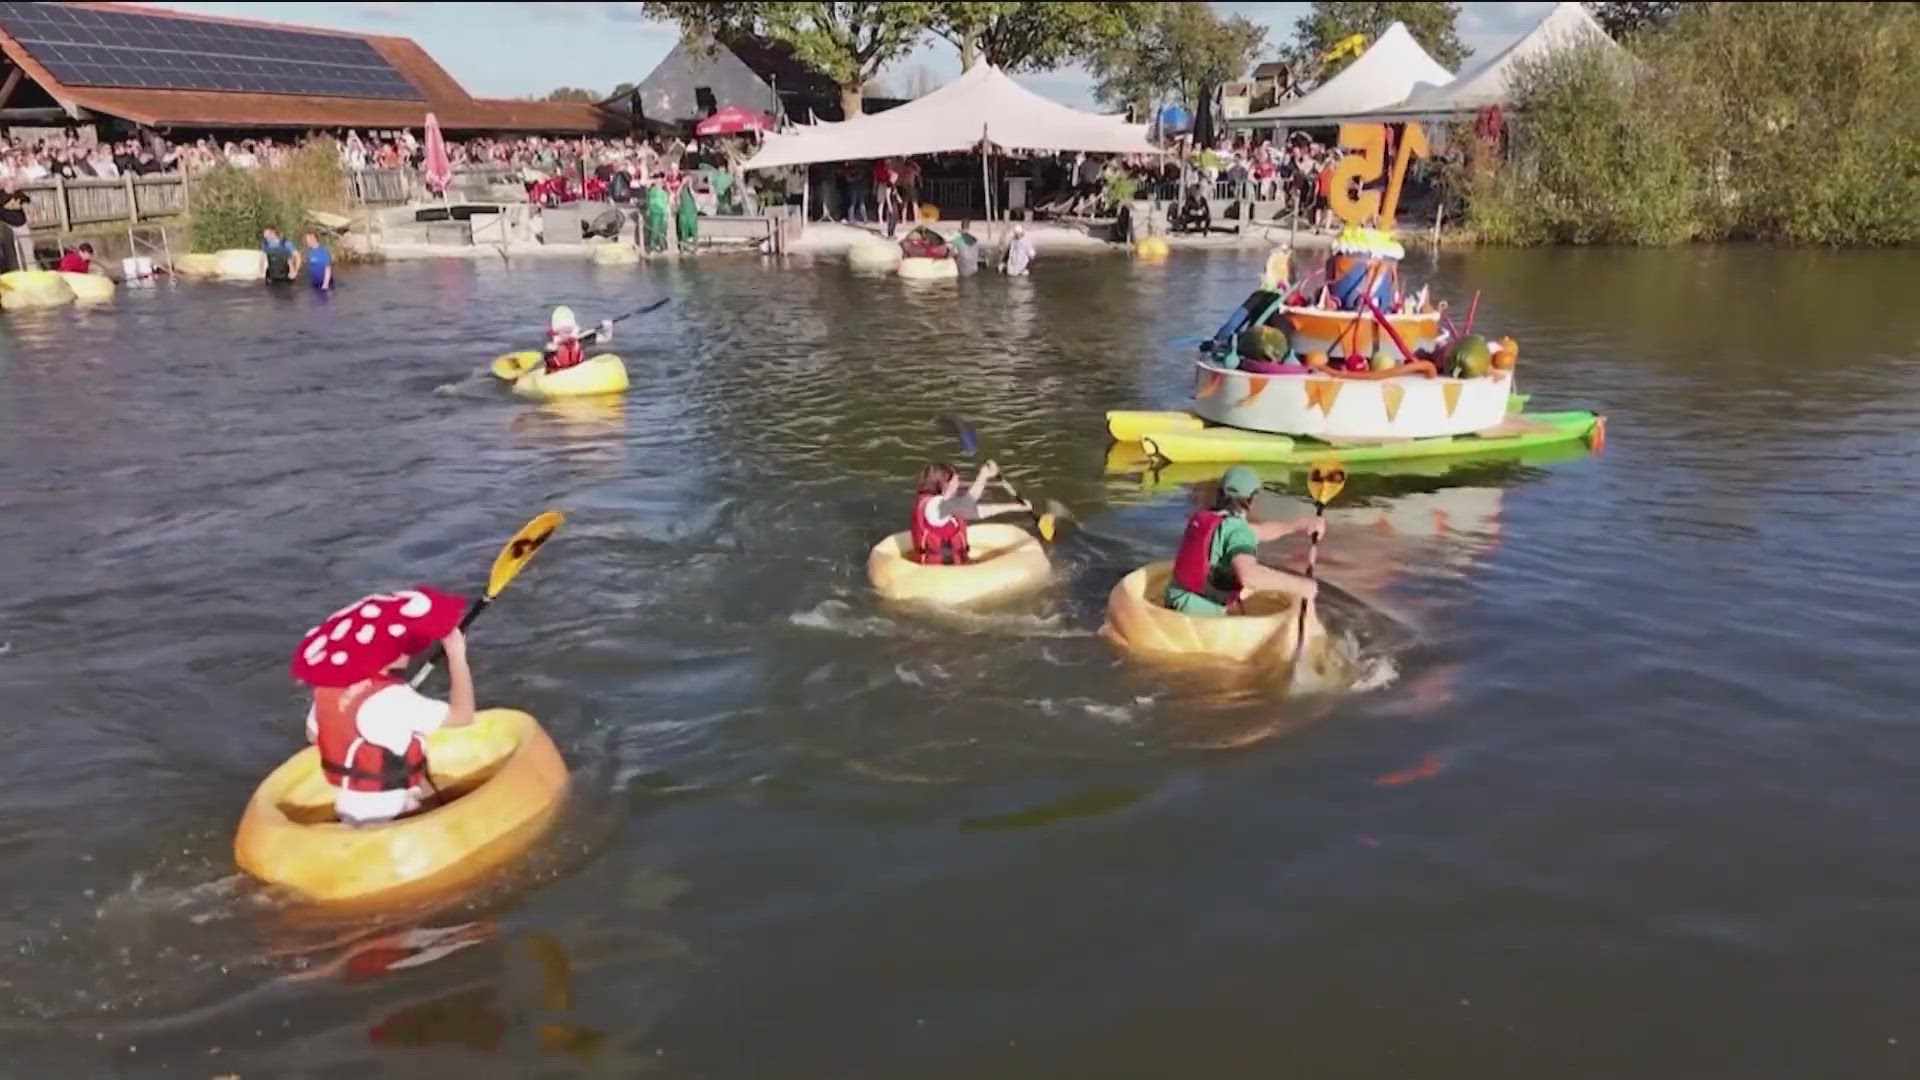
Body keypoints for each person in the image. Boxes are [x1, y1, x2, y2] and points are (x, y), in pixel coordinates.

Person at [289, 587, 476, 825]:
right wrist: (456, 655)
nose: (410, 647)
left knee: (412, 766)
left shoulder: (328, 688)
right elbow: (463, 716)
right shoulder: (394, 698)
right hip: (397, 811)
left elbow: (314, 735)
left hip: (347, 809)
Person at [1165, 466, 1322, 617]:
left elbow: (1261, 531)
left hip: (1175, 600)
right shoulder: (1237, 530)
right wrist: (1303, 586)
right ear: (1252, 499)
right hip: (1198, 616)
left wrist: (1299, 525)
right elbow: (1249, 576)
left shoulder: (1209, 518)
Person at [911, 461, 1032, 565]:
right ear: (945, 484)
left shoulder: (934, 502)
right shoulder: (937, 507)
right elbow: (976, 510)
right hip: (944, 570)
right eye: (956, 480)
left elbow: (969, 501)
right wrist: (1014, 507)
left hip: (947, 564)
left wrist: (983, 475)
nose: (958, 483)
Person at [541, 306, 612, 374]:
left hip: (577, 375)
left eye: (570, 331)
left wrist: (608, 328)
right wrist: (555, 346)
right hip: (556, 376)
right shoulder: (551, 344)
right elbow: (549, 349)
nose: (568, 335)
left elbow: (605, 338)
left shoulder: (580, 341)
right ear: (556, 332)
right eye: (564, 332)